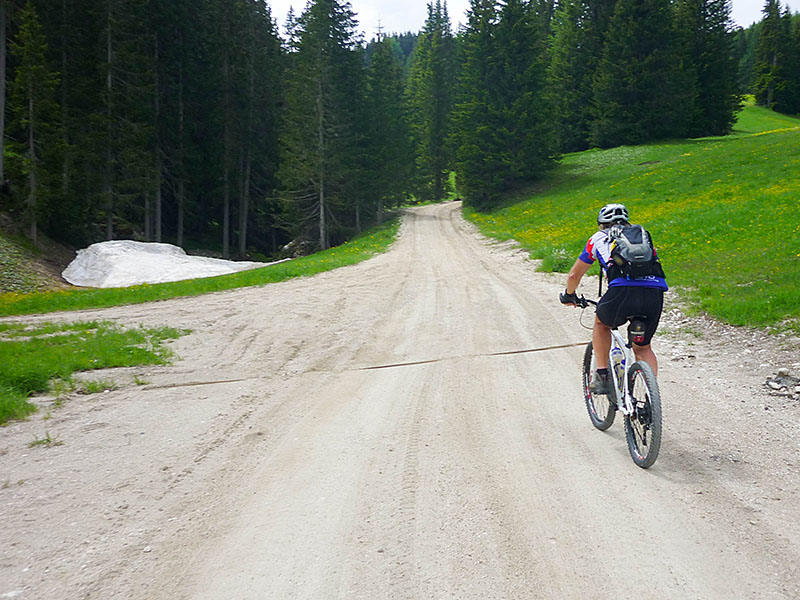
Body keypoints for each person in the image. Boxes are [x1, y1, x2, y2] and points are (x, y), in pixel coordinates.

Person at [559, 203, 667, 395]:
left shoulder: (598, 238)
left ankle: (601, 376)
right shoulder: (642, 235)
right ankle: (651, 398)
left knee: (601, 324)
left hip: (622, 292)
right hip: (654, 292)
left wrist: (569, 295)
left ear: (601, 224)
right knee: (642, 348)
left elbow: (574, 275)